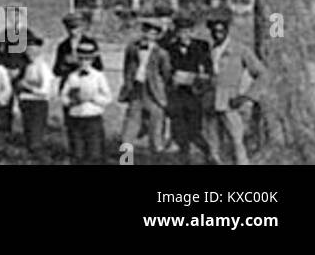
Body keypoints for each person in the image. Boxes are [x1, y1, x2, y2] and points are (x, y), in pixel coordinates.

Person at [201, 16, 265, 166]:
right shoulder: (209, 51)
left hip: (230, 101)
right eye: (214, 31)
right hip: (210, 101)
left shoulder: (240, 50)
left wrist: (247, 96)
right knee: (212, 141)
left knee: (236, 139)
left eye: (221, 31)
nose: (218, 34)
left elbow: (262, 74)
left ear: (227, 31)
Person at [119, 20, 172, 157]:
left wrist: (161, 94)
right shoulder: (132, 48)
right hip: (136, 92)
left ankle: (156, 160)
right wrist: (128, 86)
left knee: (155, 133)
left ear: (157, 36)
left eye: (153, 34)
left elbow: (166, 76)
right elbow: (127, 69)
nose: (148, 36)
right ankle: (126, 161)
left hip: (154, 95)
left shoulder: (161, 53)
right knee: (129, 130)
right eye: (146, 32)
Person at [164, 15, 212, 163]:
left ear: (192, 31)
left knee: (194, 129)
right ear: (176, 32)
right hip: (176, 94)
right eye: (180, 32)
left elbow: (208, 70)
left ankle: (208, 153)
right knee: (178, 129)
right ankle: (185, 158)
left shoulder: (202, 46)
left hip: (194, 94)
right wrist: (173, 78)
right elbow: (166, 70)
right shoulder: (170, 48)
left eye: (187, 31)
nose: (184, 35)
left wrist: (197, 78)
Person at [53, 12, 101, 152]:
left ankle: (92, 154)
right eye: (70, 28)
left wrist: (80, 63)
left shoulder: (90, 43)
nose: (73, 31)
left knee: (89, 121)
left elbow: (99, 66)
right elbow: (56, 70)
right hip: (70, 87)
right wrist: (65, 65)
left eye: (76, 27)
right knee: (71, 122)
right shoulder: (63, 46)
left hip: (87, 85)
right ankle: (75, 153)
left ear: (82, 27)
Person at [60, 40, 112, 164]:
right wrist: (72, 101)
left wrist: (93, 98)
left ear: (93, 60)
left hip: (93, 118)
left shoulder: (98, 76)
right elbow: (63, 96)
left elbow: (108, 98)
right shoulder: (72, 76)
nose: (84, 62)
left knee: (94, 153)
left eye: (87, 59)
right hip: (76, 118)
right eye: (81, 59)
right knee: (77, 153)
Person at [15, 34, 55, 158]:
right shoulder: (27, 66)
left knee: (35, 138)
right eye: (27, 49)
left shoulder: (42, 67)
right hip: (26, 103)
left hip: (38, 104)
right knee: (28, 136)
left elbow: (46, 91)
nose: (29, 52)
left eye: (32, 49)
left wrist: (27, 86)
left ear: (39, 50)